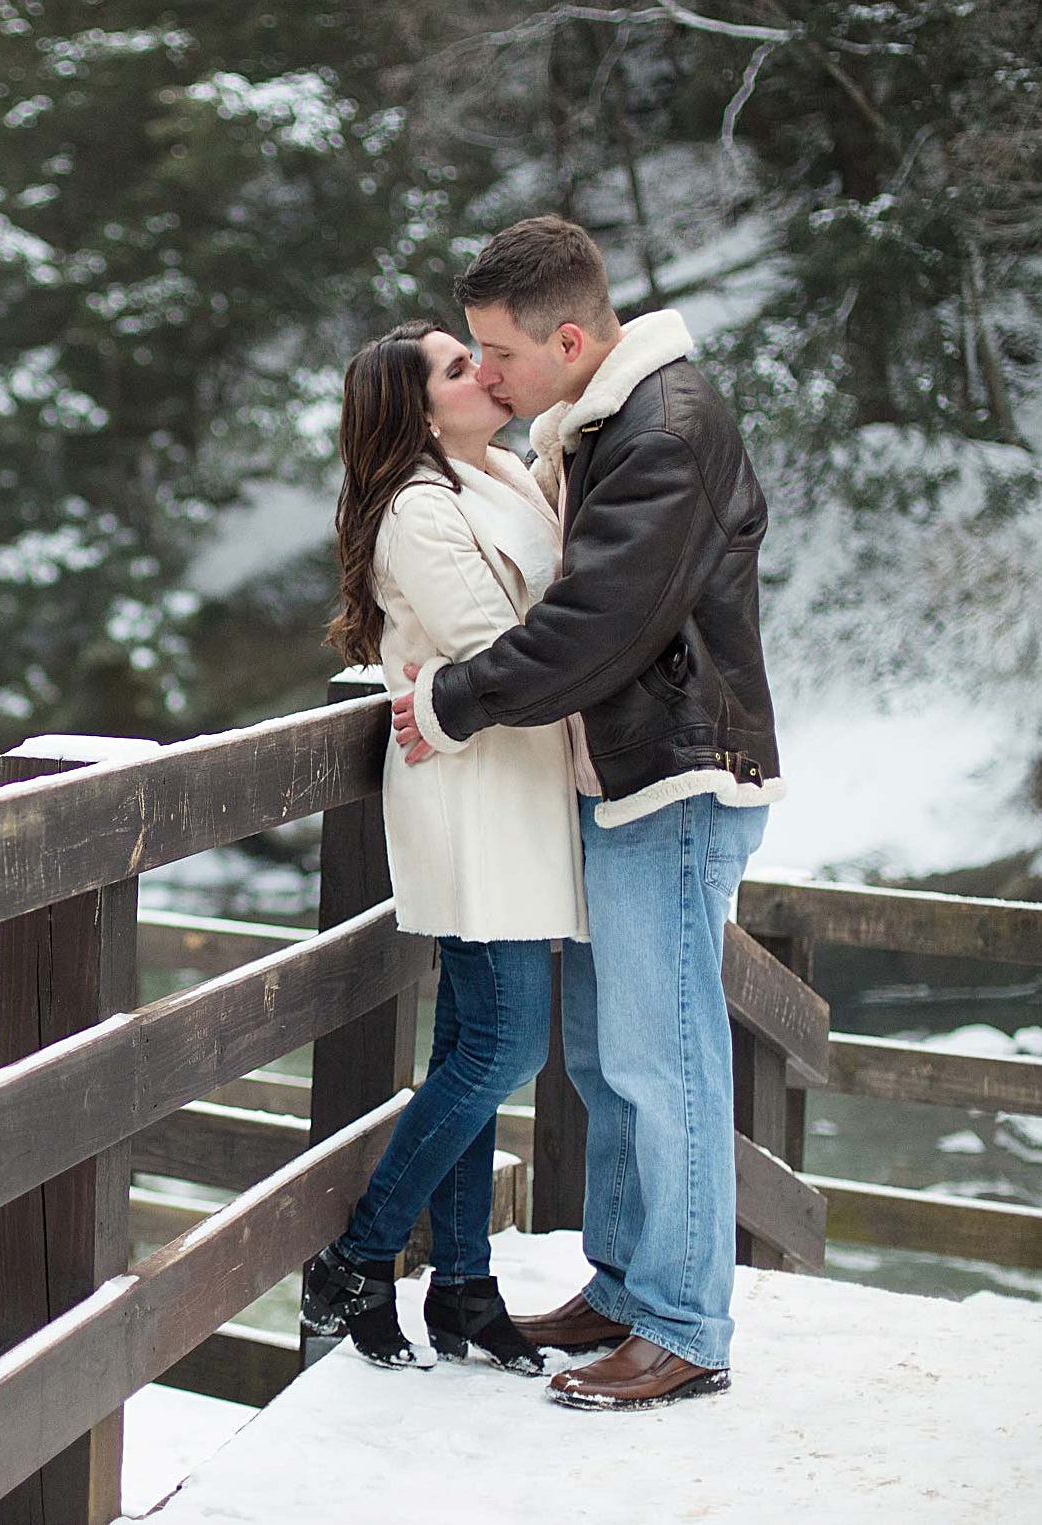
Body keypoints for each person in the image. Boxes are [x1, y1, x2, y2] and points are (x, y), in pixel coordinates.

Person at [390, 216, 784, 1410]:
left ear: (568, 338)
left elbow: (598, 625)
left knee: (666, 1061)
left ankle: (682, 1323)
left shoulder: (666, 428)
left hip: (671, 779)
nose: (487, 378)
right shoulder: (607, 419)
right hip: (621, 779)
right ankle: (624, 1287)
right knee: (615, 1064)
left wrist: (452, 703)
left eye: (497, 353)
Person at [302, 318, 589, 1375]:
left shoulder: (498, 475)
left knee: (471, 1045)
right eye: (457, 367)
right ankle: (359, 1253)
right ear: (420, 411)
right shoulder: (420, 509)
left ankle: (463, 1285)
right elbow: (494, 650)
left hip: (513, 784)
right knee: (505, 1047)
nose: (485, 373)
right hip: (472, 793)